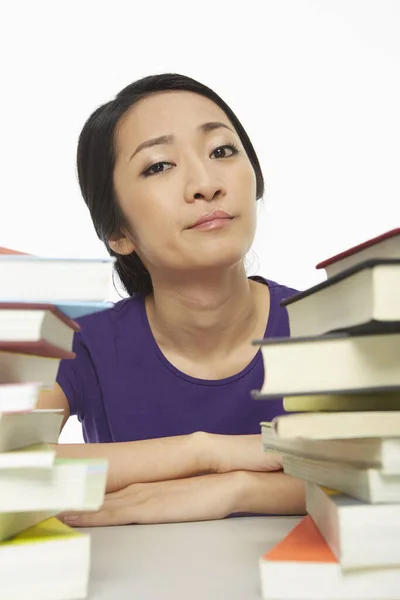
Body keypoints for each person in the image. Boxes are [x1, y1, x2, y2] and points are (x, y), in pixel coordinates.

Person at [38, 73, 305, 526]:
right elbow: (12, 467)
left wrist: (237, 488)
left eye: (221, 151)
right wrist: (203, 451)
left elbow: (386, 469)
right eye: (159, 165)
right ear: (118, 232)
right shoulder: (82, 343)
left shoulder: (332, 324)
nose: (206, 183)